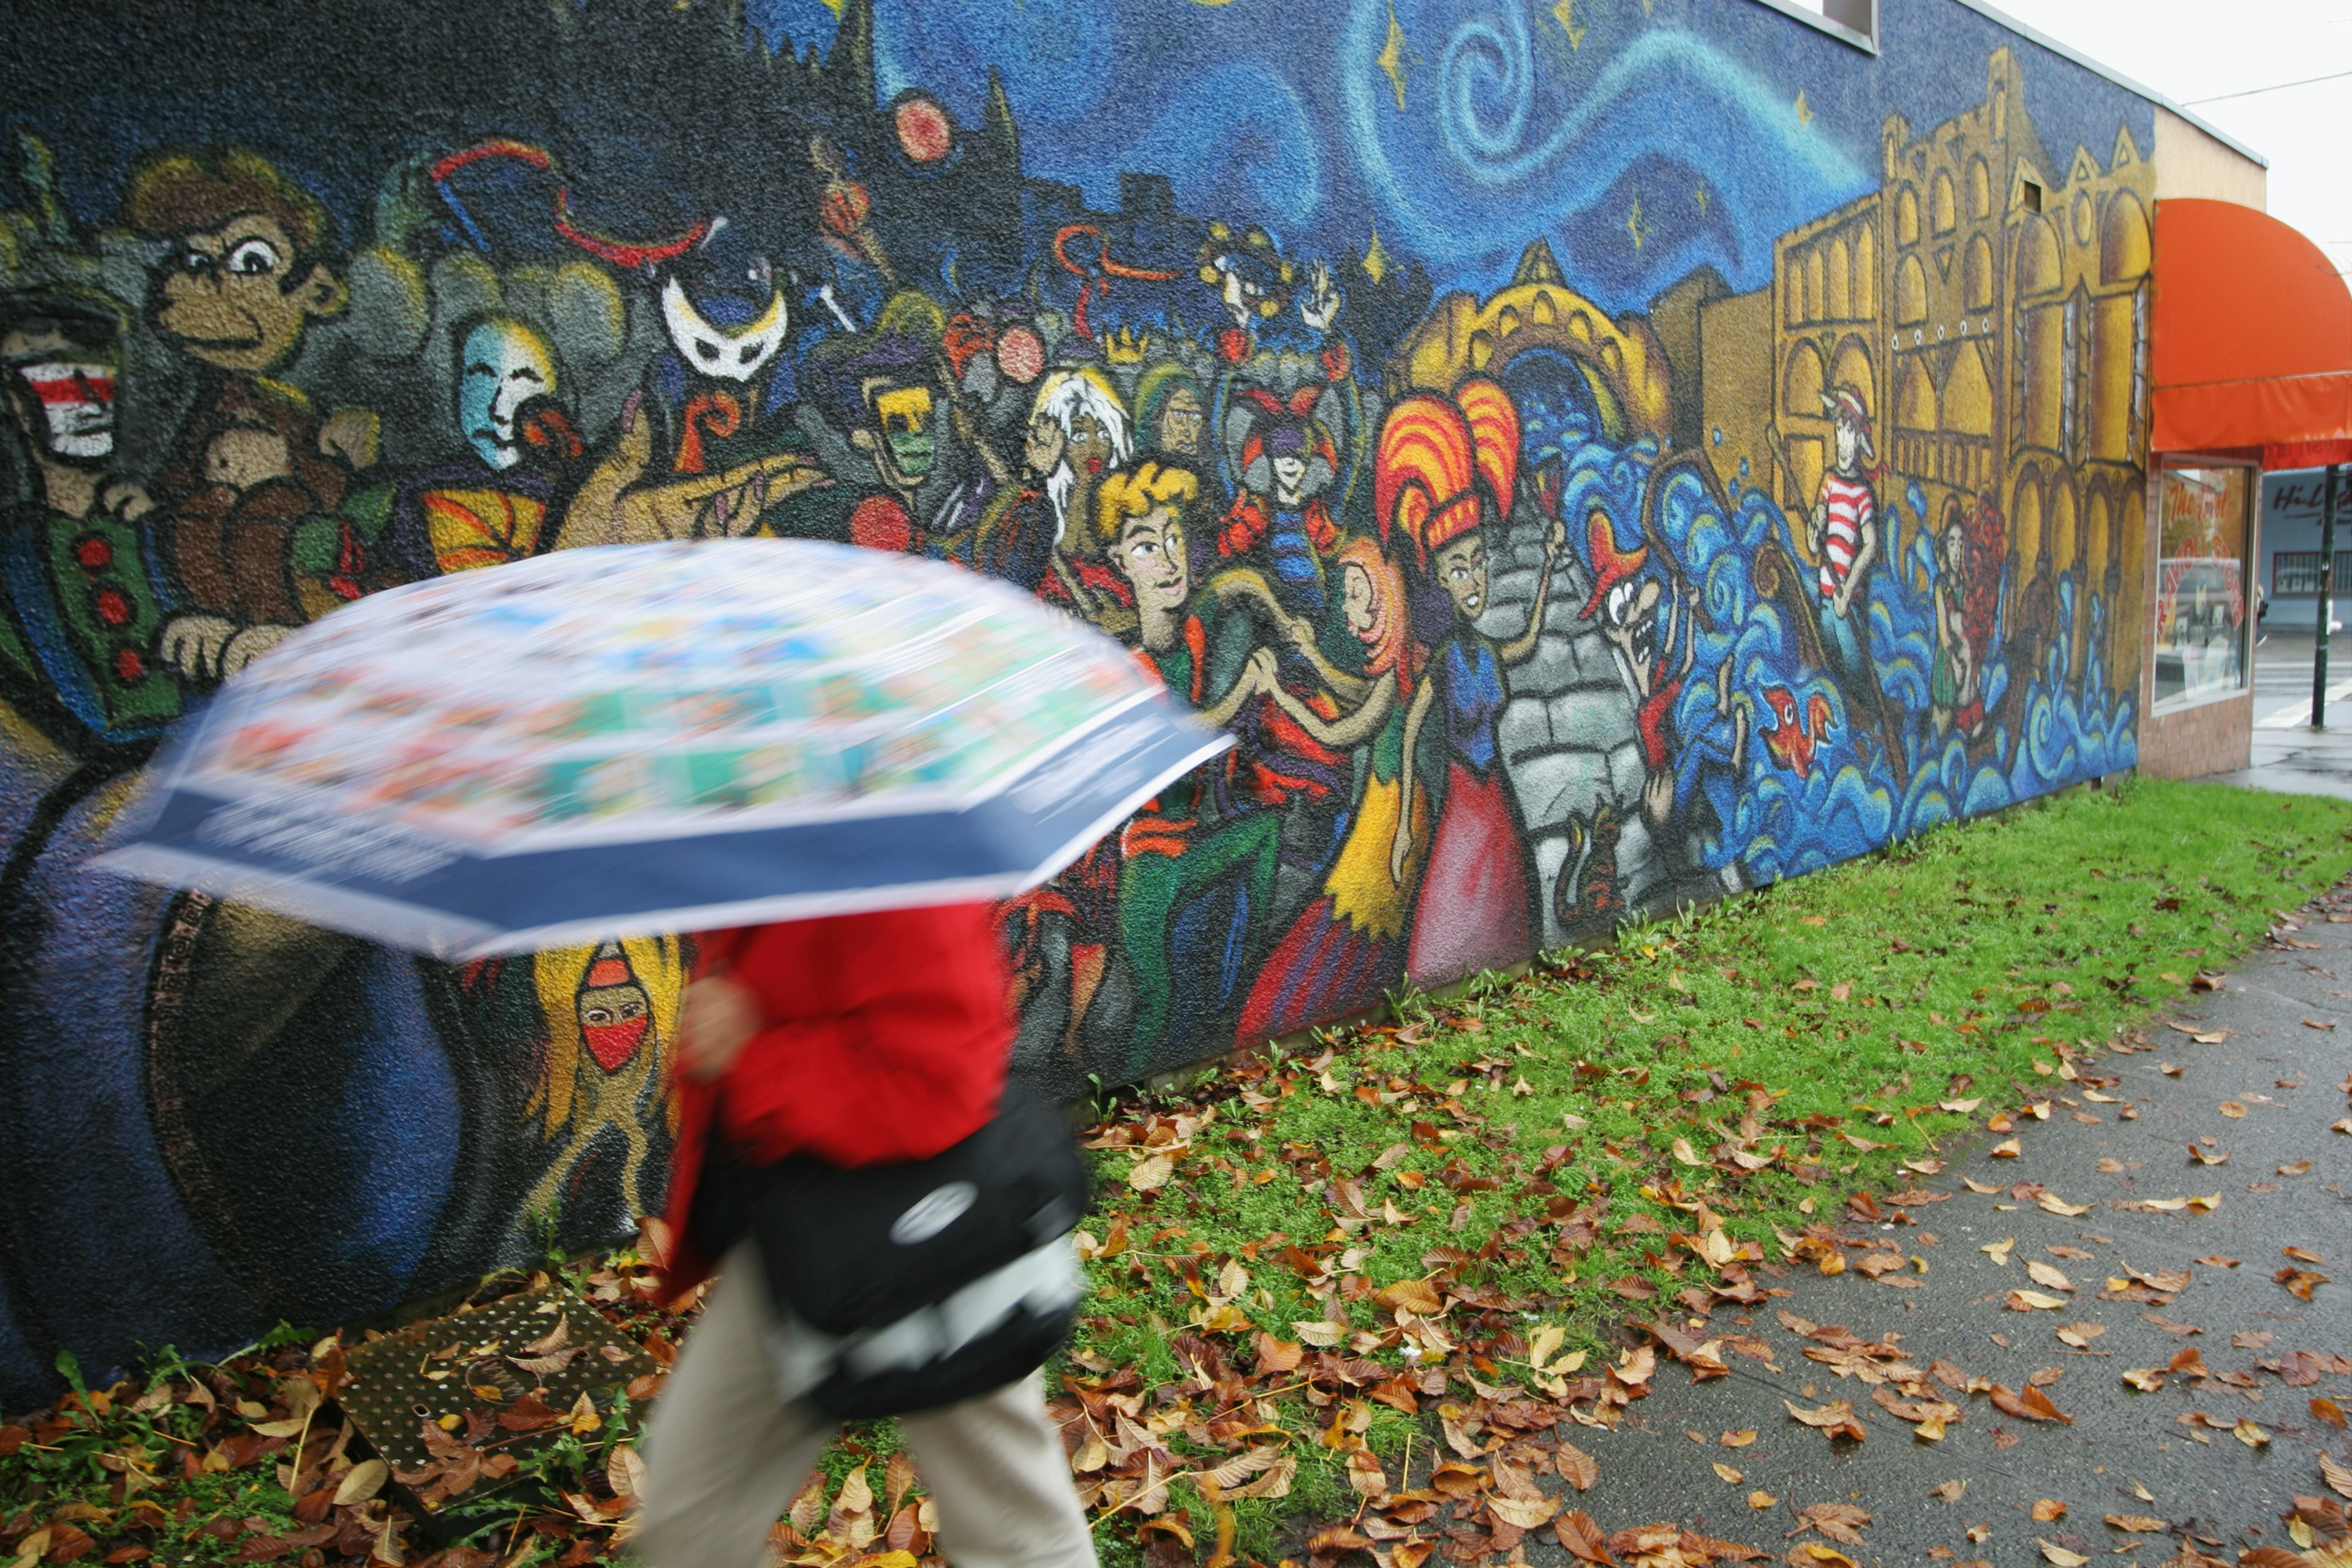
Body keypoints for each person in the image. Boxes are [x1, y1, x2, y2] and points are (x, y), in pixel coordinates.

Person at [636, 903, 1096, 1568]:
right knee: (691, 1508)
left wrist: (753, 1052)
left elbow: (941, 1077)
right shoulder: (780, 846)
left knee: (1014, 1524)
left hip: (934, 1245)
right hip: (796, 1227)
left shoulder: (894, 873)